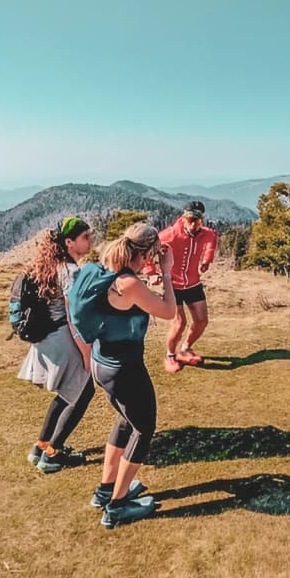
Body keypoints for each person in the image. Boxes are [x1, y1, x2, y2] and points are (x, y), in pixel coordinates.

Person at [82, 222, 178, 528]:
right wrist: (166, 272)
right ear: (148, 253)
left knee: (126, 421)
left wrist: (147, 276)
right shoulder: (128, 284)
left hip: (102, 361)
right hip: (124, 367)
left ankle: (106, 489)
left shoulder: (102, 269)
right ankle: (119, 505)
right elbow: (168, 311)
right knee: (144, 428)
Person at [18, 217, 96, 473]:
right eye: (85, 237)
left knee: (66, 395)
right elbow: (75, 318)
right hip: (65, 340)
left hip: (49, 339)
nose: (90, 240)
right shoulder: (72, 272)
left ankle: (40, 446)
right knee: (83, 393)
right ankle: (53, 454)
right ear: (69, 242)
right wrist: (87, 353)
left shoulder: (54, 266)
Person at [158, 201, 218, 373]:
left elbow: (212, 241)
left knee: (202, 320)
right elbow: (150, 249)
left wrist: (207, 260)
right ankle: (170, 355)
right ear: (183, 218)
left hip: (193, 283)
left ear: (202, 220)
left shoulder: (206, 234)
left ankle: (185, 349)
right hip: (173, 285)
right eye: (190, 220)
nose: (193, 224)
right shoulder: (169, 235)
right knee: (180, 322)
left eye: (197, 221)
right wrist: (152, 272)